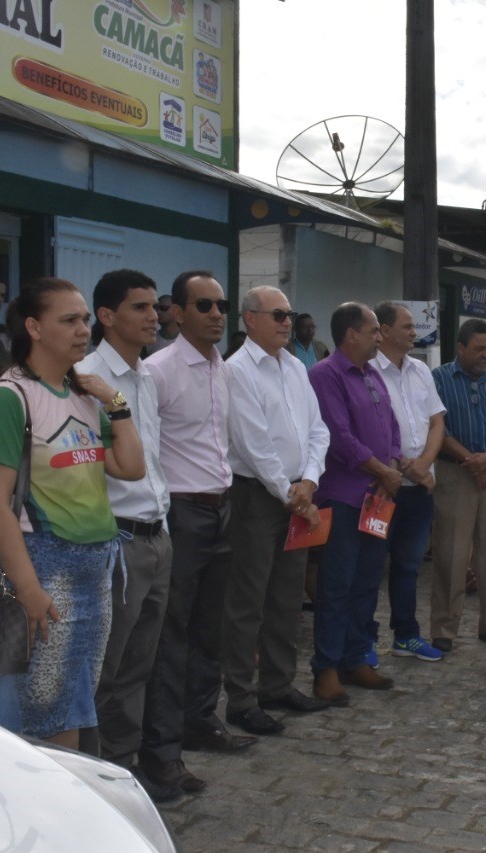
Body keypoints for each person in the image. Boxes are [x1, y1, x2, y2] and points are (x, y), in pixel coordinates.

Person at [0, 277, 145, 748]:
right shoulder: (9, 398)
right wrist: (28, 590)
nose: (82, 329)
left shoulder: (84, 395)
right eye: (68, 320)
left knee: (70, 703)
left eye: (85, 319)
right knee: (32, 714)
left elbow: (131, 467)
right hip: (41, 569)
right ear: (33, 327)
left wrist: (117, 403)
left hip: (93, 569)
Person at [142, 270, 254, 797]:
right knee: (172, 633)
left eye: (221, 305)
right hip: (181, 512)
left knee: (212, 627)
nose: (215, 314)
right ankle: (162, 753)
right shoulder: (157, 371)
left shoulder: (222, 370)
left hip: (222, 506)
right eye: (203, 305)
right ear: (177, 312)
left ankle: (201, 719)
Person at [75, 269, 180, 801]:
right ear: (107, 316)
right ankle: (94, 778)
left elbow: (153, 462)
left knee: (139, 666)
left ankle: (123, 773)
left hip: (157, 534)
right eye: (140, 308)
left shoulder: (146, 376)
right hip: (115, 539)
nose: (153, 316)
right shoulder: (88, 378)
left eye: (154, 307)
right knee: (106, 668)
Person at [222, 286, 331, 734]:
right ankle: (240, 699)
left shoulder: (295, 368)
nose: (287, 322)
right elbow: (253, 443)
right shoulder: (237, 371)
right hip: (256, 497)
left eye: (291, 313)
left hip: (297, 496)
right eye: (278, 314)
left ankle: (278, 684)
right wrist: (292, 492)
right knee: (248, 600)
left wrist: (308, 480)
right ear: (250, 318)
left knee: (287, 596)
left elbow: (317, 431)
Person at [308, 303, 401, 704]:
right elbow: (338, 436)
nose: (380, 337)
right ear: (351, 334)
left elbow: (392, 427)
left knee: (367, 581)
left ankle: (356, 655)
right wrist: (382, 471)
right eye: (374, 331)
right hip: (344, 497)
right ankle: (325, 668)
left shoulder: (371, 374)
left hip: (377, 499)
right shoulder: (325, 375)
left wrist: (392, 467)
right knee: (336, 585)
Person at [431, 319, 486, 652]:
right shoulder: (438, 379)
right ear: (461, 348)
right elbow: (438, 428)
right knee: (451, 554)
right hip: (454, 474)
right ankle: (444, 628)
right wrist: (471, 460)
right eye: (479, 348)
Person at [370, 302, 446, 662]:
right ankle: (363, 641)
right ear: (384, 331)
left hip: (419, 490)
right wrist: (405, 466)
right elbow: (372, 430)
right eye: (407, 326)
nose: (414, 333)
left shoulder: (420, 370)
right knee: (369, 566)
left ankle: (406, 635)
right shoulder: (366, 371)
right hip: (381, 488)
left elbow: (436, 423)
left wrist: (425, 466)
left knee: (408, 565)